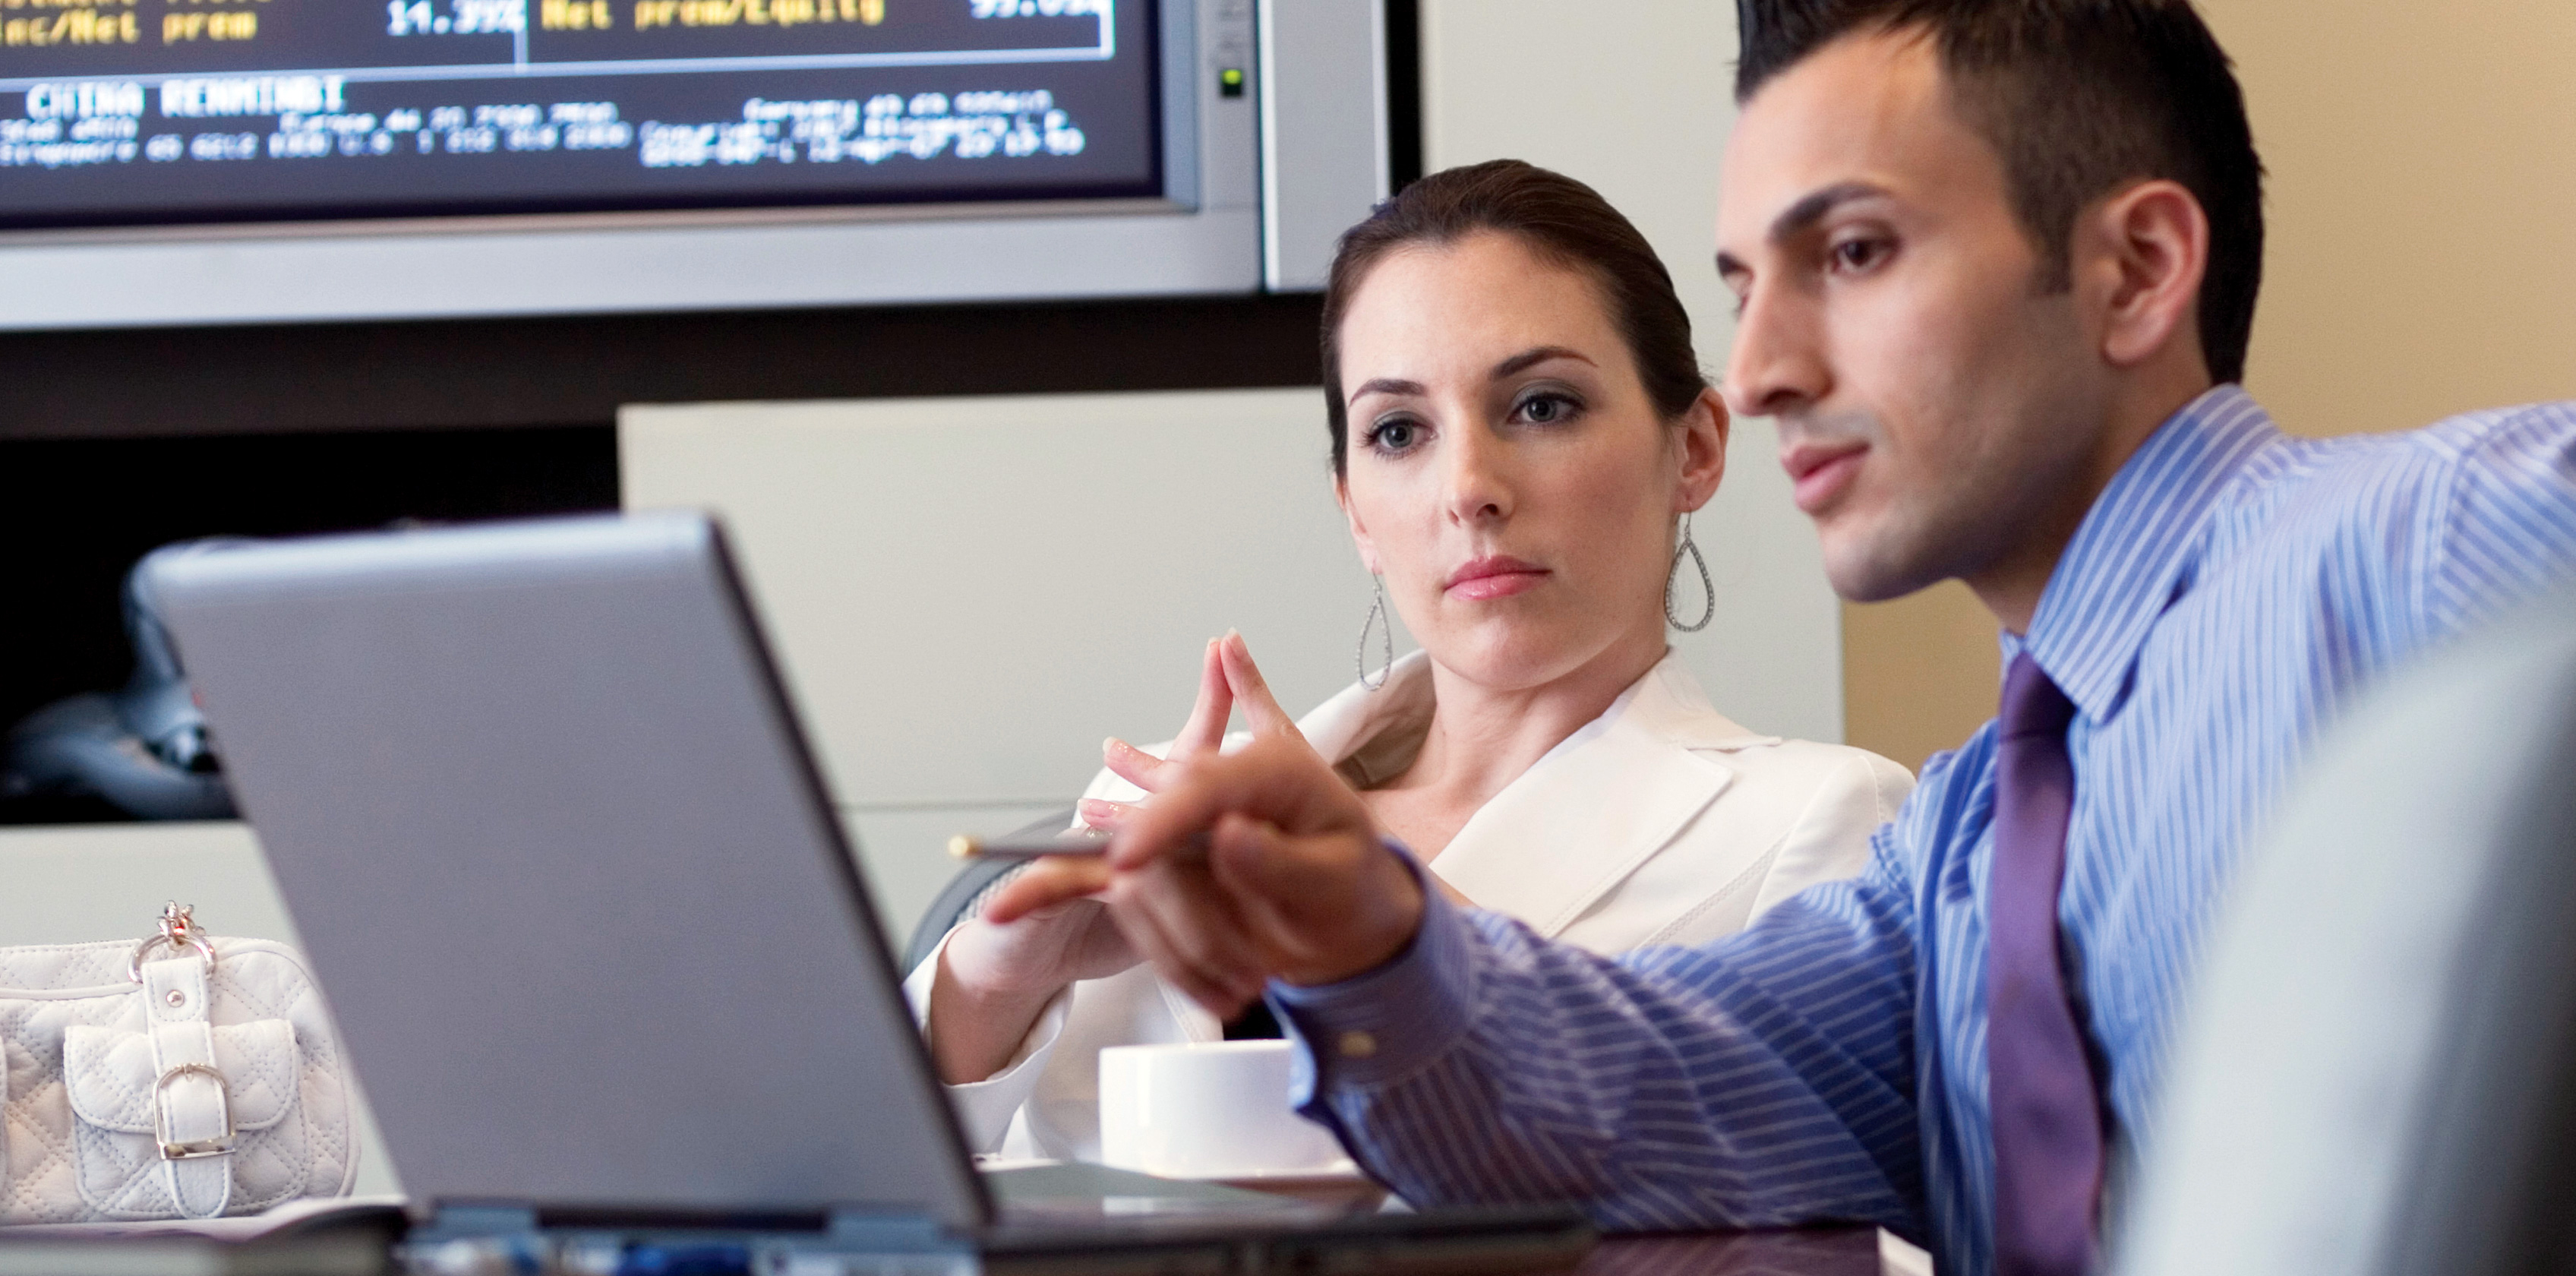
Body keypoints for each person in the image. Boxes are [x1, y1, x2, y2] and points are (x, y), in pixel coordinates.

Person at [983, 2, 2576, 1274]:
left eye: (1855, 254)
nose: (1760, 366)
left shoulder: (2416, 542)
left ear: (2136, 269)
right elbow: (1610, 1089)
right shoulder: (1955, 867)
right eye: (1747, 284)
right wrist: (1357, 931)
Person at [908, 161, 1914, 1161]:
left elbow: (1797, 1197)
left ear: (1693, 448)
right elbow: (854, 1208)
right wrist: (991, 982)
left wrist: (1392, 907)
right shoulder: (1155, 810)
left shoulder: (1825, 826)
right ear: (1355, 511)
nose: (1468, 487)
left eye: (1543, 406)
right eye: (1398, 431)